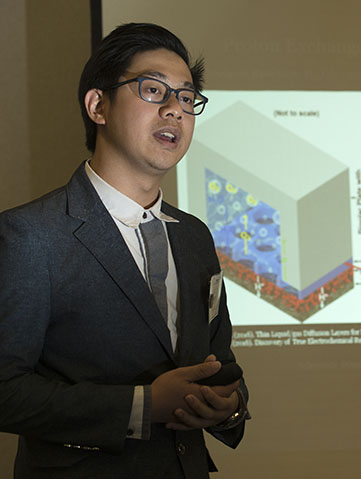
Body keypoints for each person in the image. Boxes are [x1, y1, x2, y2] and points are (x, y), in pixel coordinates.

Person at [0, 23, 248, 479]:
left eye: (187, 98)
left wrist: (227, 404)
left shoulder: (195, 237)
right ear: (98, 106)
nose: (176, 109)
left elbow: (221, 363)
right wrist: (143, 406)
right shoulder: (29, 235)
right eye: (154, 90)